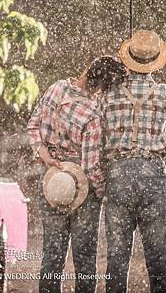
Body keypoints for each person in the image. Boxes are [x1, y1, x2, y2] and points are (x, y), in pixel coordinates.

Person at [27, 56, 125, 293]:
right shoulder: (93, 114)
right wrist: (102, 192)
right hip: (82, 187)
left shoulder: (56, 88)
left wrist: (46, 156)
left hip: (51, 180)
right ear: (103, 86)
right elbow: (90, 167)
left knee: (52, 252)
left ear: (88, 68)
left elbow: (33, 126)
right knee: (84, 257)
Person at [100, 29, 166, 293]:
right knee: (158, 256)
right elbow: (163, 124)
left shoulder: (109, 94)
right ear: (155, 59)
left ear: (127, 57)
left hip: (118, 172)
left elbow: (104, 131)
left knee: (117, 256)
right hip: (153, 171)